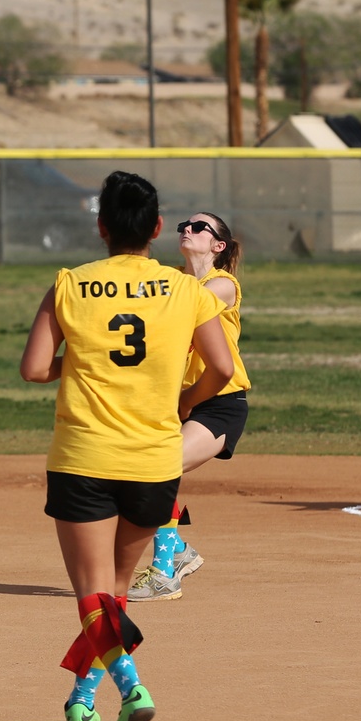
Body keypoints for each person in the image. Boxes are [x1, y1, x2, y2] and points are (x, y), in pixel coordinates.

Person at [20, 171, 233, 721]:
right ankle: (80, 702)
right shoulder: (186, 290)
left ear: (101, 227)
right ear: (157, 228)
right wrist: (186, 399)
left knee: (92, 594)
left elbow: (35, 368)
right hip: (154, 459)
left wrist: (84, 362)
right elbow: (224, 368)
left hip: (84, 456)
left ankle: (132, 688)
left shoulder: (69, 283)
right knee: (114, 593)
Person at [127, 212, 251, 603]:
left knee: (159, 468)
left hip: (219, 404)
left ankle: (165, 574)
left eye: (199, 227)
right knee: (144, 474)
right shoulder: (174, 282)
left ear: (219, 246)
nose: (188, 230)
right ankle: (178, 550)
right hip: (176, 404)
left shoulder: (222, 285)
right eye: (184, 224)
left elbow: (180, 306)